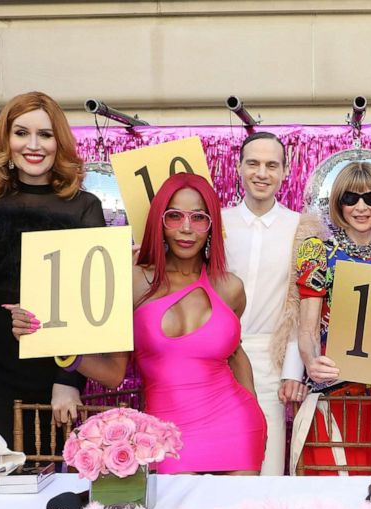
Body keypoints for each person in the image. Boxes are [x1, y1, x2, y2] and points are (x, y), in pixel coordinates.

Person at [15, 173, 267, 475]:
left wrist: (256, 413)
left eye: (199, 217)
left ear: (212, 225)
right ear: (159, 221)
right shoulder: (133, 281)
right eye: (174, 216)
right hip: (165, 433)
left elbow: (235, 354)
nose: (186, 228)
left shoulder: (230, 288)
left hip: (235, 425)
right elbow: (113, 375)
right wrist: (54, 343)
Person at [0, 91, 104, 444]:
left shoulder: (84, 207)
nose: (33, 145)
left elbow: (86, 308)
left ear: (59, 142)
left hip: (45, 376)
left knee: (39, 488)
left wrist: (68, 380)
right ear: (6, 140)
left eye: (45, 134)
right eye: (21, 133)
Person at [293, 161, 371, 475]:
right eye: (351, 198)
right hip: (333, 392)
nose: (361, 207)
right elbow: (307, 325)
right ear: (338, 204)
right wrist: (310, 360)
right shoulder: (317, 251)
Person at [223, 132, 322, 475]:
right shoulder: (216, 223)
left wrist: (293, 369)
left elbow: (304, 304)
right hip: (216, 357)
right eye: (253, 163)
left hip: (269, 358)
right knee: (218, 460)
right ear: (238, 168)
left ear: (285, 171)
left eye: (271, 165)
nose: (261, 173)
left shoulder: (302, 228)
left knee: (265, 464)